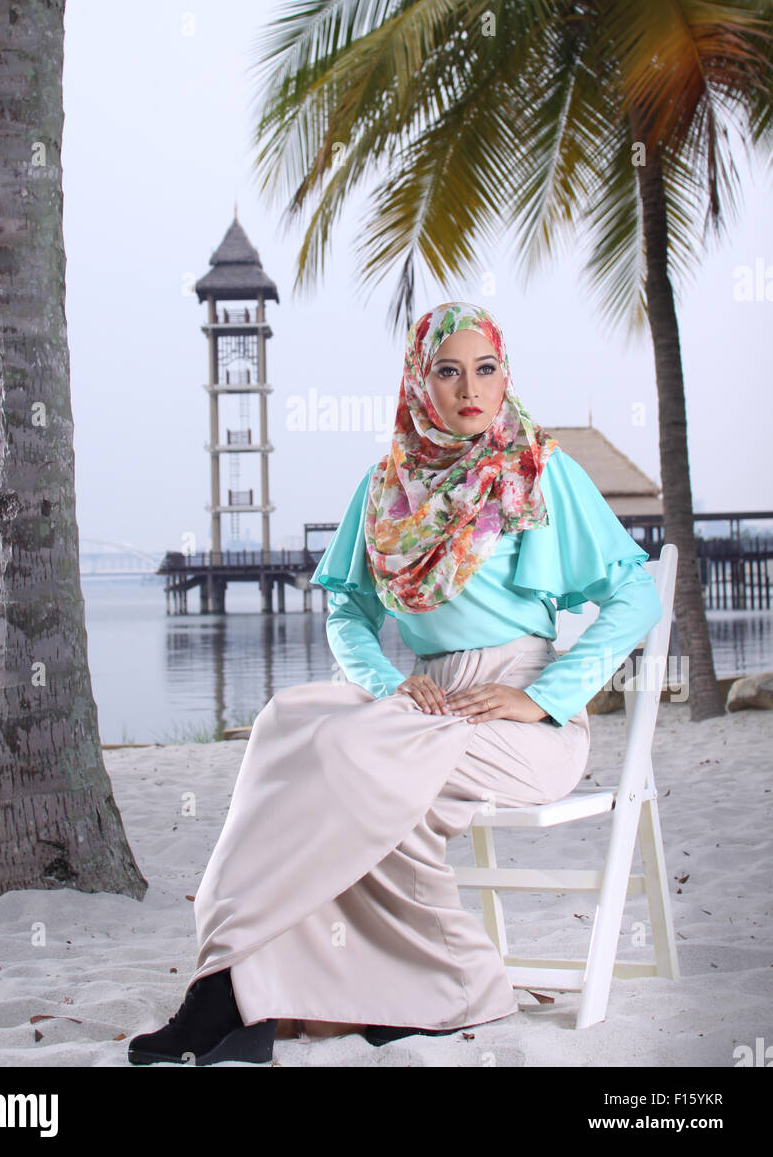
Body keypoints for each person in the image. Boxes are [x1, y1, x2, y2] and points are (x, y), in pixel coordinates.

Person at [128, 301, 662, 1066]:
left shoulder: (539, 471)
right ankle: (410, 995)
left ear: (506, 375)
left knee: (355, 761)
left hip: (520, 721)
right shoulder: (388, 489)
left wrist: (544, 697)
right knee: (289, 721)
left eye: (485, 369)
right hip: (423, 703)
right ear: (420, 382)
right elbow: (345, 609)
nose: (469, 389)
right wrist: (385, 684)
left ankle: (225, 990)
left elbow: (635, 595)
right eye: (448, 371)